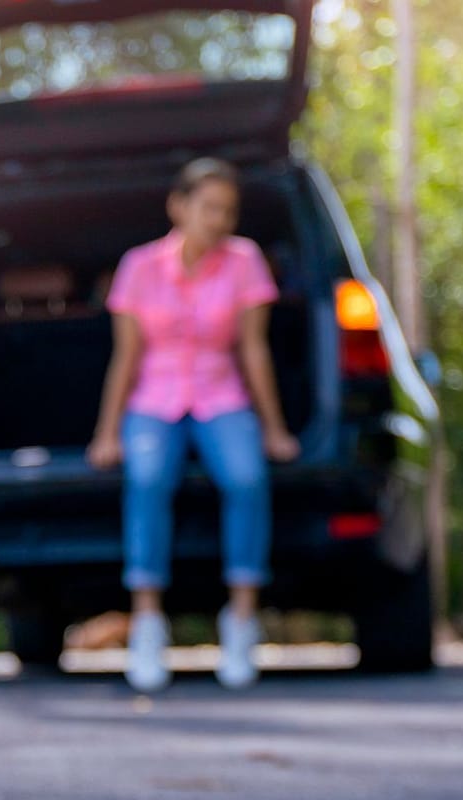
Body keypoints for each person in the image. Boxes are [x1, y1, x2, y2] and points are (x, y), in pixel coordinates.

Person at [86, 158, 299, 692]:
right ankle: (149, 624)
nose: (221, 220)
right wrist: (107, 432)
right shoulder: (139, 267)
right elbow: (126, 358)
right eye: (210, 208)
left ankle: (241, 621)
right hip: (154, 400)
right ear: (178, 207)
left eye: (229, 210)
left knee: (248, 479)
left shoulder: (245, 261)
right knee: (149, 480)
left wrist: (273, 428)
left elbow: (254, 351)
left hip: (220, 394)